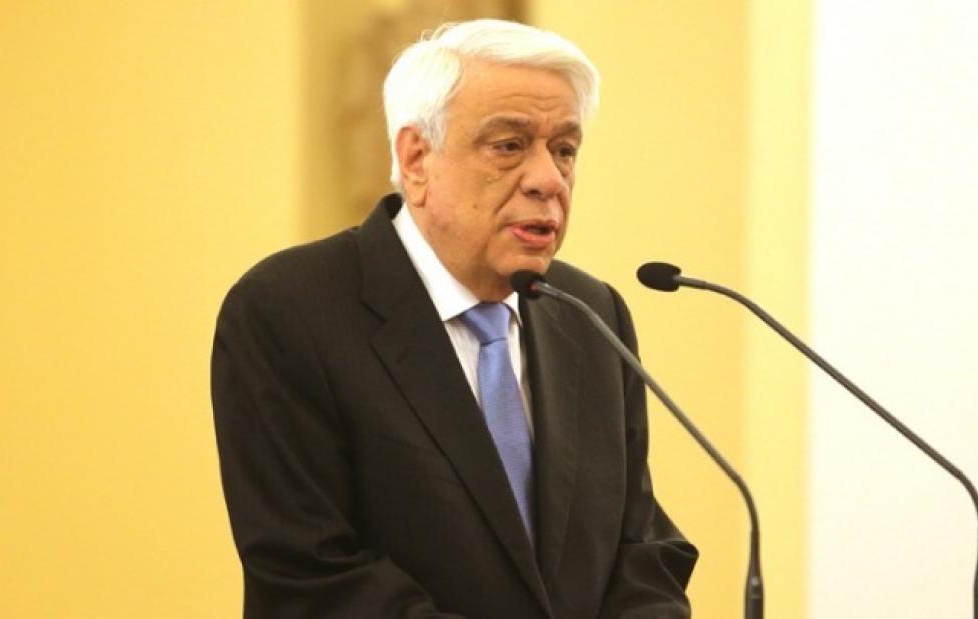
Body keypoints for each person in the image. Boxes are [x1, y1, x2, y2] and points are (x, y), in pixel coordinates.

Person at [211, 19, 697, 618]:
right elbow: (314, 577)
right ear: (416, 159)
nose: (548, 180)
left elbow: (641, 546)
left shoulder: (592, 315)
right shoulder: (289, 311)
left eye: (564, 150)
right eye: (509, 145)